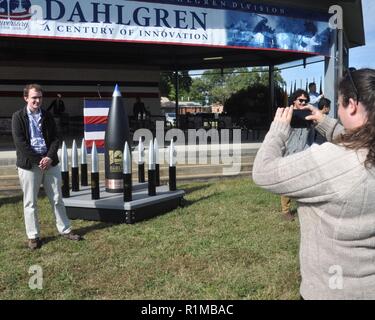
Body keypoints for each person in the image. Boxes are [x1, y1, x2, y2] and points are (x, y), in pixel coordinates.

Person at [252, 68, 375, 299]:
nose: (337, 110)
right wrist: (325, 122)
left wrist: (278, 130)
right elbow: (360, 141)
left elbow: (262, 172)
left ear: (352, 104)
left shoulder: (331, 161)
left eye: (339, 104)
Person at [12, 84, 82, 250]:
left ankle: (65, 230)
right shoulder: (18, 117)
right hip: (29, 165)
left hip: (50, 163)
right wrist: (39, 160)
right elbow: (20, 143)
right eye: (34, 97)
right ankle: (33, 236)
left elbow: (56, 139)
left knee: (57, 198)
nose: (37, 100)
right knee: (30, 202)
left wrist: (49, 157)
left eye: (40, 97)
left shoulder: (47, 116)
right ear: (26, 98)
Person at [280, 89, 315, 221]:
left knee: (305, 182)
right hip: (290, 152)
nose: (303, 102)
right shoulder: (287, 114)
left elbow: (312, 134)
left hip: (305, 152)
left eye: (305, 100)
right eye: (300, 100)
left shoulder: (309, 114)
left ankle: (304, 208)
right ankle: (285, 211)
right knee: (287, 183)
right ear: (294, 100)